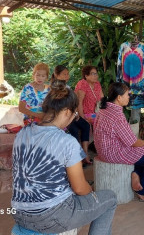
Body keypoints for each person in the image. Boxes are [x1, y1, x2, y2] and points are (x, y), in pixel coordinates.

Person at [11, 81, 117, 235]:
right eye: (74, 115)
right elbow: (80, 188)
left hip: (19, 213)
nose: (73, 118)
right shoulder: (66, 141)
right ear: (67, 112)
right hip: (51, 217)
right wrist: (91, 193)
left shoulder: (22, 134)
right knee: (109, 199)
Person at [94, 82, 144, 202]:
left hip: (102, 150)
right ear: (119, 98)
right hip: (112, 153)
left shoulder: (104, 109)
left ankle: (136, 174)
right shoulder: (117, 115)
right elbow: (133, 142)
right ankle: (142, 191)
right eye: (127, 95)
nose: (129, 97)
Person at [52, 65, 92, 165]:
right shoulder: (54, 88)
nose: (67, 76)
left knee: (85, 125)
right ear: (57, 75)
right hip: (62, 116)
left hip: (72, 115)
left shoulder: (68, 87)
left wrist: (75, 113)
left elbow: (73, 102)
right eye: (64, 74)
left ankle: (85, 153)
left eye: (67, 73)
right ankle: (76, 159)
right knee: (73, 130)